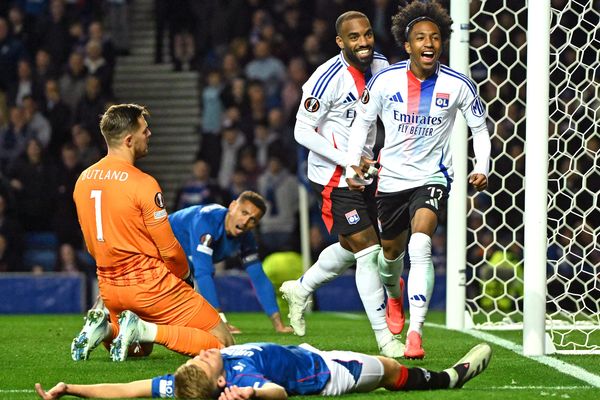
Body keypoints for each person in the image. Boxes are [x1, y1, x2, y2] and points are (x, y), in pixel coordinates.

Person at [345, 0, 492, 359]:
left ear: (442, 43)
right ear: (407, 45)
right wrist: (354, 164)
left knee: (421, 244)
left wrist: (482, 166)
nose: (429, 43)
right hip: (391, 178)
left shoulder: (459, 85)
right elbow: (363, 122)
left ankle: (415, 333)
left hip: (433, 176)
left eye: (436, 38)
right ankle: (394, 295)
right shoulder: (384, 80)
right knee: (390, 255)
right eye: (421, 38)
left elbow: (480, 129)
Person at [280, 11, 404, 357]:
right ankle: (385, 339)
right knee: (369, 252)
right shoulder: (325, 79)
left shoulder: (380, 66)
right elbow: (301, 130)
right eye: (354, 37)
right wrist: (345, 159)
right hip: (334, 176)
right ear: (340, 42)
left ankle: (301, 288)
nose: (363, 43)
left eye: (366, 35)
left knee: (353, 248)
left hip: (365, 172)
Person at [71, 104, 234, 362]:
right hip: (150, 286)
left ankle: (105, 329)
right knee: (224, 343)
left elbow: (91, 245)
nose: (149, 135)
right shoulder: (143, 184)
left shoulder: (83, 180)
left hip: (109, 288)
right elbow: (169, 249)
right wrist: (185, 277)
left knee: (137, 350)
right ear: (128, 139)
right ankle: (144, 327)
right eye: (144, 130)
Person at [34, 342, 492, 399]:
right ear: (220, 382)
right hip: (327, 373)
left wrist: (72, 386)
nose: (195, 356)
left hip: (303, 352)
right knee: (391, 370)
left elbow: (131, 389)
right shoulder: (240, 382)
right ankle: (449, 379)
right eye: (200, 360)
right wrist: (254, 397)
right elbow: (275, 393)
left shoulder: (183, 385)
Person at [168, 191, 293, 334]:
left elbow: (259, 278)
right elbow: (203, 272)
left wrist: (278, 324)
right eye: (244, 213)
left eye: (253, 219)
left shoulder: (246, 238)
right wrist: (221, 323)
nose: (245, 222)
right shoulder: (207, 221)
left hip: (181, 262)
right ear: (232, 206)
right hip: (152, 248)